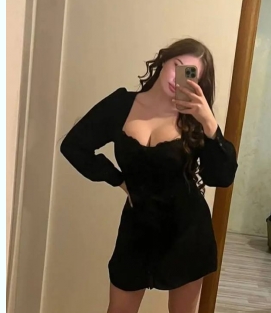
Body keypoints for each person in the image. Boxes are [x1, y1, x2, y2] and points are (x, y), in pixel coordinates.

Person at [60, 38, 238, 313]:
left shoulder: (194, 118)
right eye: (177, 65)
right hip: (137, 228)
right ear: (164, 60)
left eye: (190, 74)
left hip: (187, 230)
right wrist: (118, 180)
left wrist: (209, 122)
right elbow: (74, 146)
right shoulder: (121, 105)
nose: (177, 77)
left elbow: (222, 177)